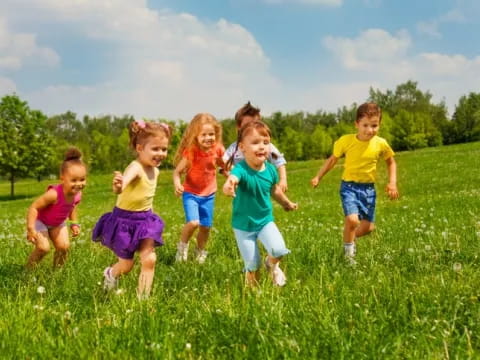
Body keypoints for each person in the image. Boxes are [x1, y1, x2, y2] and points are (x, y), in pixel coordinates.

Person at [310, 102, 399, 263]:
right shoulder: (346, 141)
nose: (369, 130)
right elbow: (332, 160)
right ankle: (348, 256)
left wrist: (392, 183)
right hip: (349, 187)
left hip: (369, 190)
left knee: (368, 228)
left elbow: (391, 162)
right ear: (356, 124)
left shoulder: (381, 143)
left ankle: (348, 238)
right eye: (365, 125)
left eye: (374, 125)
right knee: (352, 220)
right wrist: (318, 176)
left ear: (379, 125)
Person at [92, 120, 171, 298]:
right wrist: (118, 186)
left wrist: (149, 216)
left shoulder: (155, 170)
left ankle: (142, 299)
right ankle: (110, 274)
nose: (160, 154)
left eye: (164, 149)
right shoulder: (136, 168)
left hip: (145, 221)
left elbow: (146, 196)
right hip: (125, 222)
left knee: (149, 260)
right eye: (155, 149)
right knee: (126, 266)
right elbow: (122, 186)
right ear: (140, 148)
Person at [223, 121, 297, 287]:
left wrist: (286, 203)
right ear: (242, 147)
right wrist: (228, 186)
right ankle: (253, 296)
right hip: (243, 226)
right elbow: (232, 179)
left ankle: (271, 264)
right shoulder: (240, 169)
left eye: (266, 142)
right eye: (255, 143)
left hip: (265, 221)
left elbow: (274, 190)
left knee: (278, 250)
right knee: (252, 265)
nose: (262, 146)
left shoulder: (270, 170)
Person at [173, 113, 226, 264]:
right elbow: (177, 172)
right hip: (191, 193)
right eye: (204, 135)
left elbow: (224, 166)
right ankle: (182, 248)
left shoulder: (218, 149)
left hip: (209, 195)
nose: (209, 138)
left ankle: (200, 252)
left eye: (212, 134)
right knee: (193, 223)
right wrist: (177, 183)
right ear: (195, 136)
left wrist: (233, 175)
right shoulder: (191, 151)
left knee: (206, 227)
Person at [26, 147, 86, 268]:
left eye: (82, 179)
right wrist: (31, 228)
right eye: (73, 180)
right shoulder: (54, 194)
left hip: (57, 223)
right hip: (40, 221)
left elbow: (72, 207)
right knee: (43, 248)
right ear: (63, 178)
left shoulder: (77, 194)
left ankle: (56, 274)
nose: (78, 184)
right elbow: (34, 207)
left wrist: (74, 223)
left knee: (64, 247)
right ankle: (28, 271)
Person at [223, 101, 288, 192]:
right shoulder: (234, 148)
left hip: (261, 183)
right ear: (238, 127)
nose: (252, 128)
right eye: (246, 125)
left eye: (255, 124)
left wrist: (283, 179)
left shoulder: (266, 145)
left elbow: (279, 160)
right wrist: (232, 176)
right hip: (243, 188)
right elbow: (225, 161)